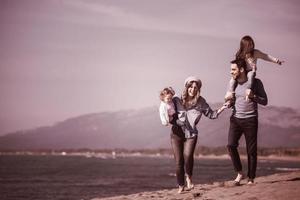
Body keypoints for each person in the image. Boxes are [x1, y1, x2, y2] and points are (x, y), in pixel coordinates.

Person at [169, 76, 226, 193]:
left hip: (191, 134)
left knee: (188, 155)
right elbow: (170, 116)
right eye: (190, 86)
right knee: (179, 161)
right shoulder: (177, 100)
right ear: (187, 87)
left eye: (195, 87)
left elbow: (212, 115)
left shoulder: (201, 102)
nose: (193, 89)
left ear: (198, 89)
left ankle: (188, 177)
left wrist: (223, 108)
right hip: (176, 134)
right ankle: (181, 185)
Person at [226, 59, 268, 185]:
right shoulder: (232, 83)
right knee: (231, 145)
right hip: (235, 119)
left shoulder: (256, 83)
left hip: (250, 119)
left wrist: (253, 96)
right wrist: (229, 102)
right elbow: (232, 98)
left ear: (242, 69)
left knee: (251, 151)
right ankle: (239, 172)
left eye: (233, 69)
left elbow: (265, 101)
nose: (231, 72)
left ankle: (251, 178)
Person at [225, 35, 283, 105]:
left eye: (252, 44)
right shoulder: (240, 54)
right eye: (249, 45)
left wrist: (277, 61)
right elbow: (236, 65)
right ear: (244, 46)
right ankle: (230, 95)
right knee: (232, 80)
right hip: (242, 72)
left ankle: (249, 89)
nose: (251, 46)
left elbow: (266, 56)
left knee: (251, 75)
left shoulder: (255, 53)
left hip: (250, 71)